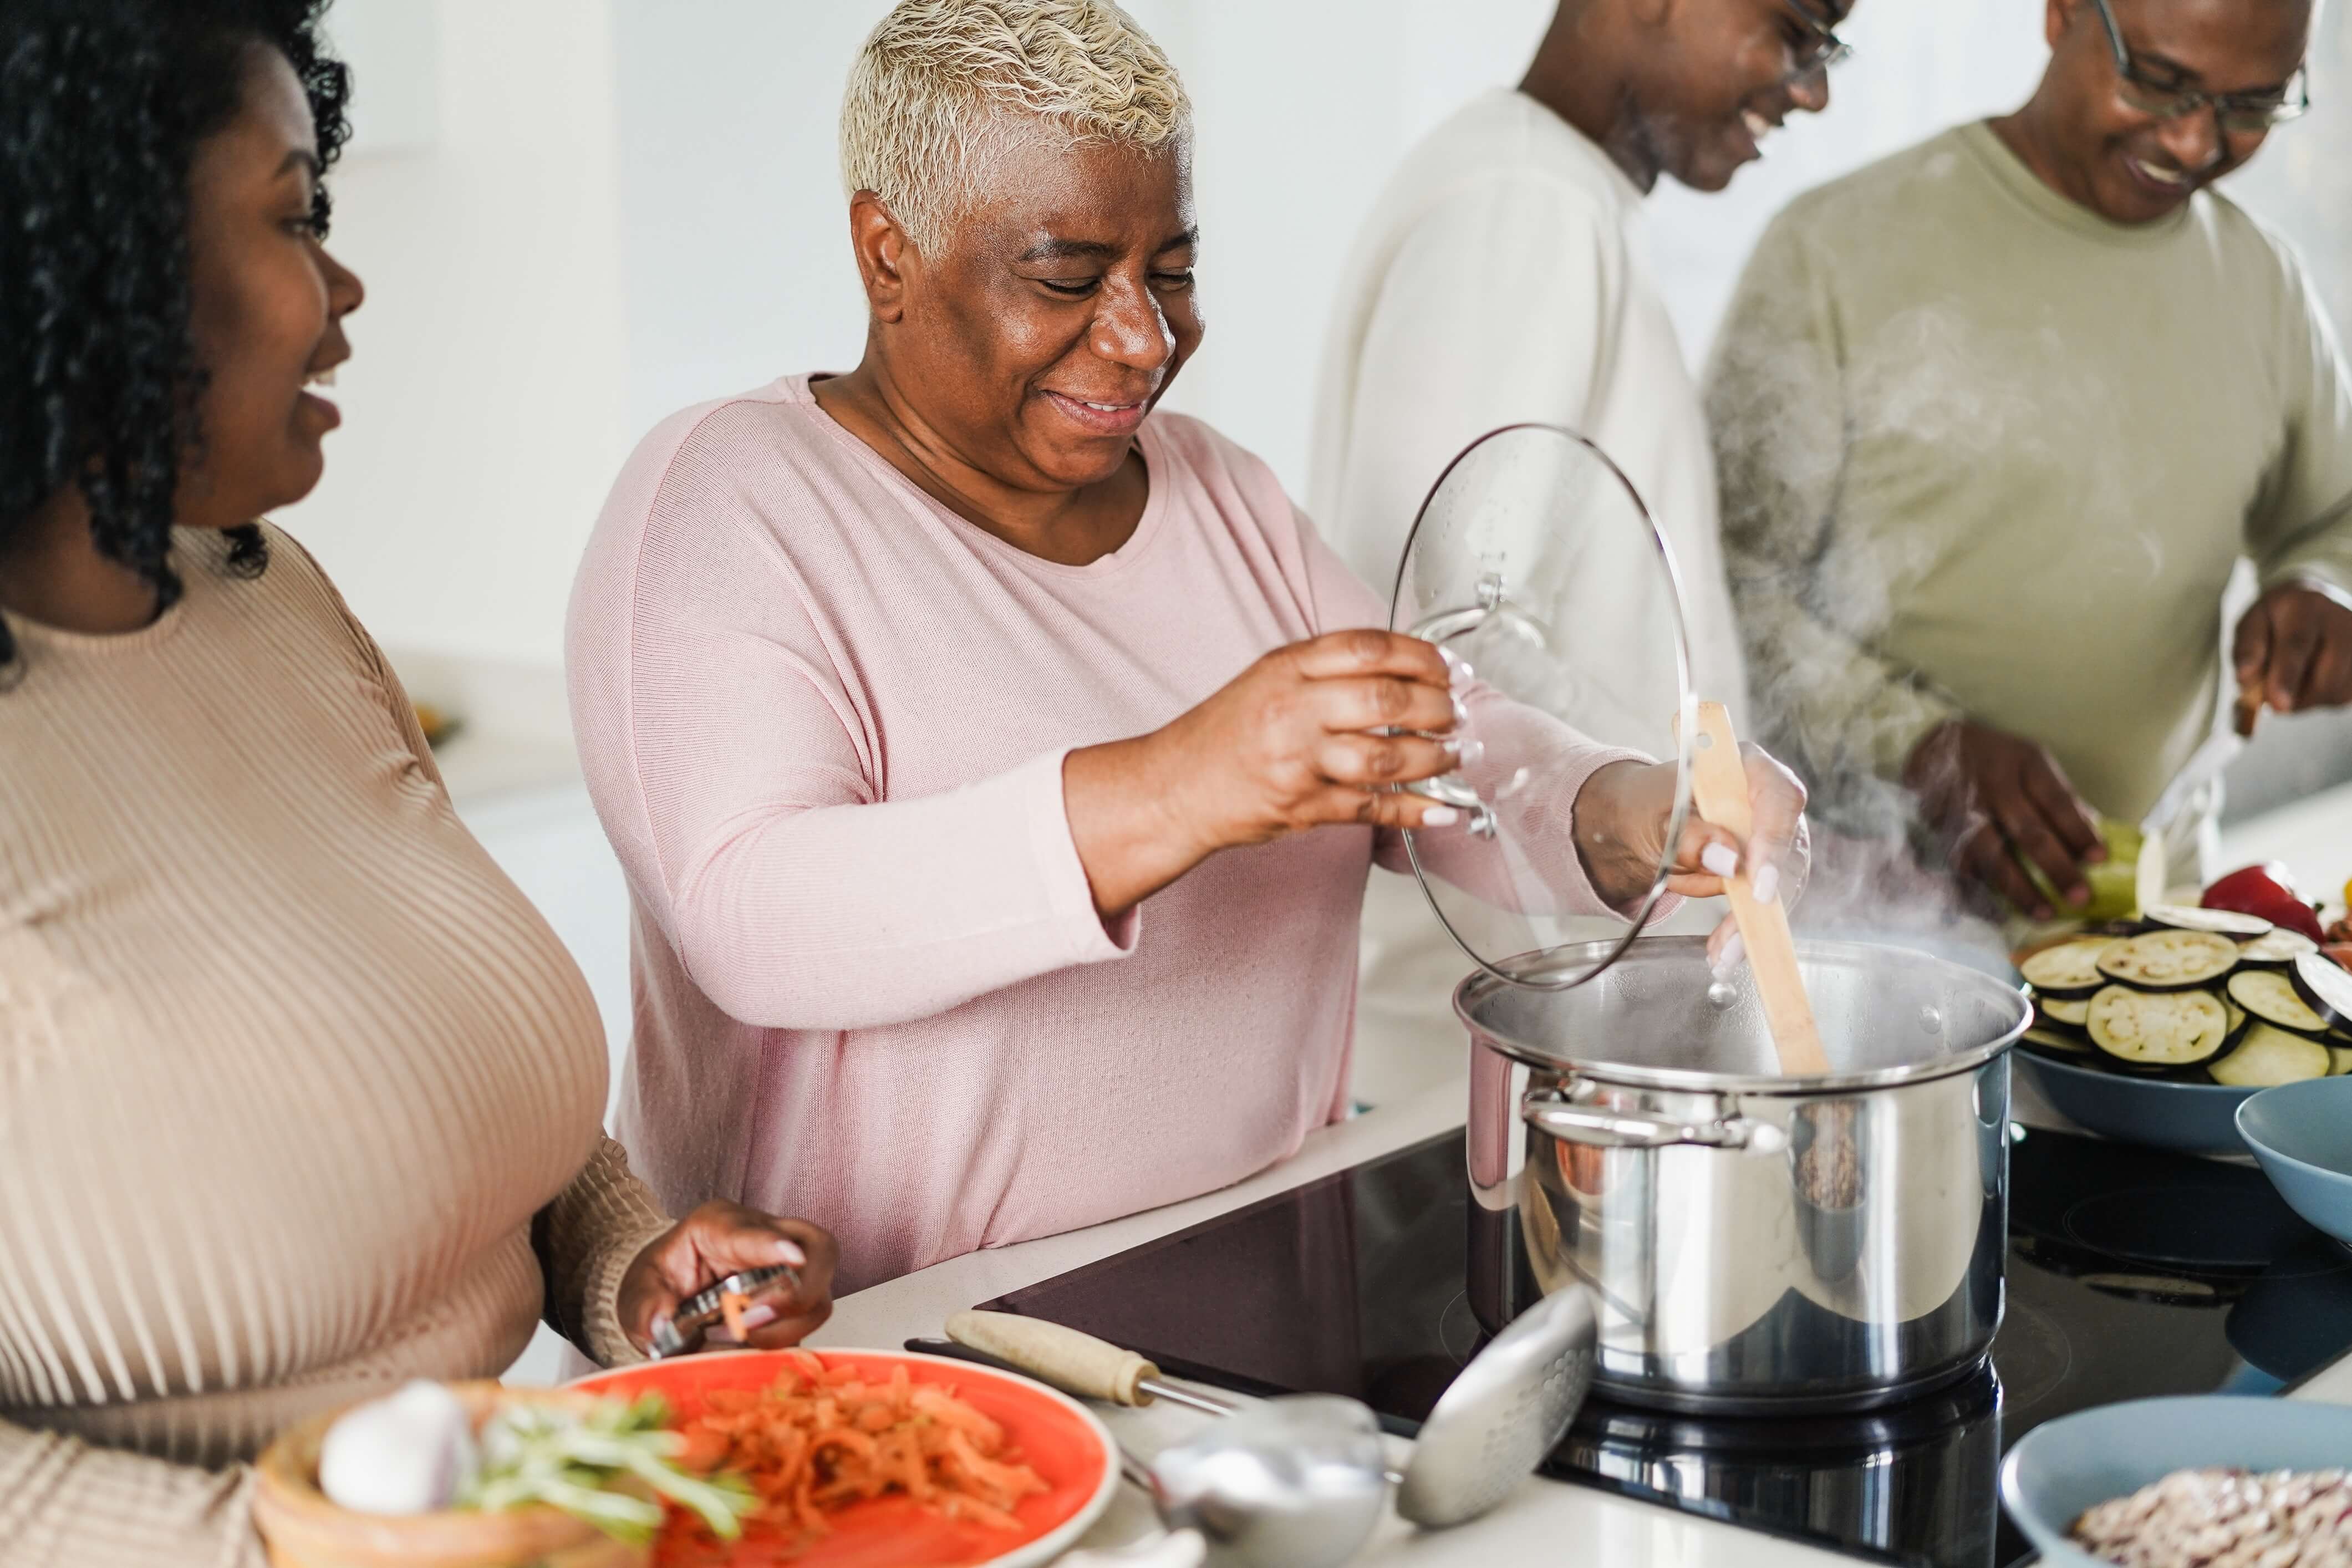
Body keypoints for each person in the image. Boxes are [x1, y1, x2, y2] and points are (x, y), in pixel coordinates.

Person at [568, 0, 1809, 1297]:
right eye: (1067, 277)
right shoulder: (737, 496)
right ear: (890, 256)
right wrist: (1184, 785)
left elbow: (1443, 739)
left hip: (1261, 1298)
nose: (1143, 340)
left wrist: (1628, 811)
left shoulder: (1219, 492)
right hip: (894, 1352)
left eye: (1172, 271)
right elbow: (751, 916)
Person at [0, 4, 834, 1560]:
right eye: (296, 213)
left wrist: (630, 1270)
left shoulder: (276, 598)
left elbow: (446, 1088)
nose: (343, 285)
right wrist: (302, 1545)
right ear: (83, 251)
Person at [1308, 0, 1854, 1096]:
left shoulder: (1554, 194)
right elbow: (1449, 633)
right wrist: (1682, 811)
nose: (1812, 91)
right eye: (1796, 32)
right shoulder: (1525, 207)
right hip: (1479, 1059)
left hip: (1540, 1020)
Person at [1709, 0, 2352, 917]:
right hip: (1866, 932)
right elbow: (1730, 593)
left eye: (2252, 104)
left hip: (2155, 919)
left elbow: (2334, 518)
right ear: (2059, 15)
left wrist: (2326, 588)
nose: (2193, 140)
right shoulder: (1832, 251)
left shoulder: (2262, 280)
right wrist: (1917, 744)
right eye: (2158, 81)